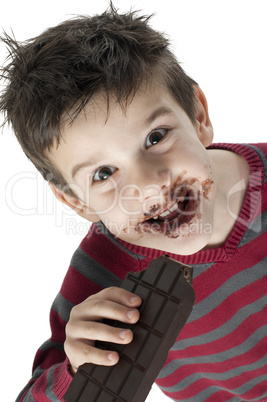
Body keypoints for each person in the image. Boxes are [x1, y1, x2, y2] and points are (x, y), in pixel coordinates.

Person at [1, 4, 266, 402]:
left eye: (156, 137)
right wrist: (77, 365)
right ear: (75, 201)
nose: (148, 185)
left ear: (198, 115)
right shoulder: (104, 275)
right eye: (104, 174)